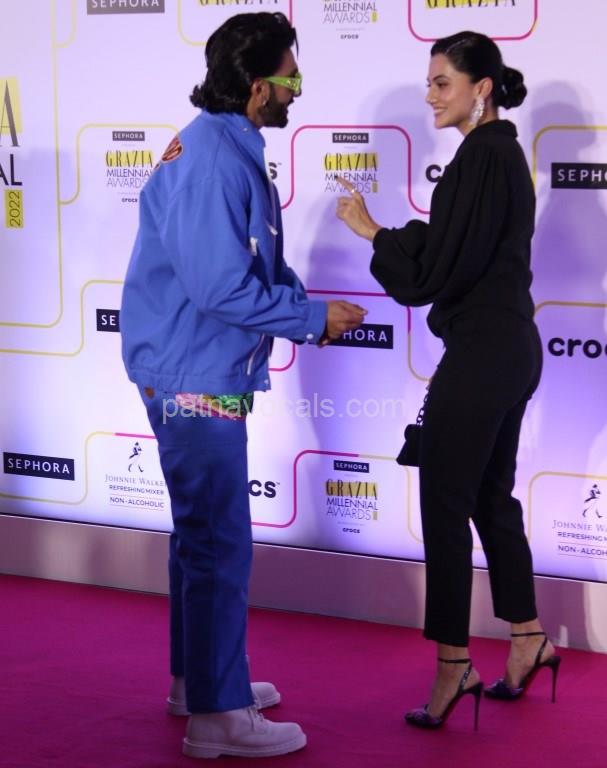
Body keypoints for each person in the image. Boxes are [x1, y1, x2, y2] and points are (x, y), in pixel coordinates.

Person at [120, 12, 366, 759]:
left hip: (193, 367)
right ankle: (218, 716)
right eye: (291, 77)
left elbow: (254, 262)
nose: (298, 90)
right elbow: (222, 288)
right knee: (217, 542)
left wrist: (302, 304)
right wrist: (312, 318)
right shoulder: (214, 162)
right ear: (259, 86)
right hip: (193, 377)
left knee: (200, 540)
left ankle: (199, 684)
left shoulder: (226, 146)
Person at [334, 30, 561, 730]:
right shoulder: (495, 155)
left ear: (480, 88)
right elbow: (452, 251)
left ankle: (453, 665)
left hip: (487, 351)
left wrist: (374, 233)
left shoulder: (483, 156)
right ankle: (527, 639)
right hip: (507, 347)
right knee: (488, 496)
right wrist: (386, 237)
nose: (430, 95)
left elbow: (437, 270)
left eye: (442, 82)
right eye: (428, 82)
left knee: (444, 500)